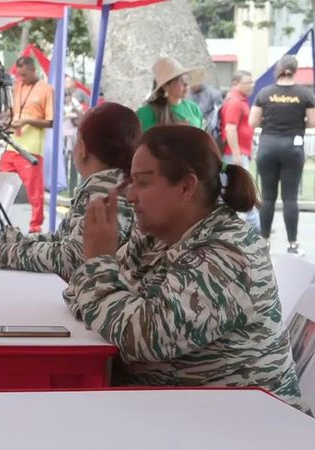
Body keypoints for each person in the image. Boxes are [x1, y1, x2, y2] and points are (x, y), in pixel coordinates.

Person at [63, 125, 307, 412]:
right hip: (178, 409)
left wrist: (98, 265)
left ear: (185, 186)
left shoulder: (228, 253)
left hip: (247, 424)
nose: (130, 196)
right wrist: (104, 291)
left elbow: (144, 336)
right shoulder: (156, 235)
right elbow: (84, 300)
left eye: (142, 182)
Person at [0, 103, 139, 280]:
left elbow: (73, 259)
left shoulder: (106, 195)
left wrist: (0, 254)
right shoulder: (110, 186)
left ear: (83, 148)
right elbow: (59, 241)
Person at [250, 55, 315, 256]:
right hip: (292, 147)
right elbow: (313, 122)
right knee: (289, 198)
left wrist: (270, 123)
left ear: (278, 69)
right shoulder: (304, 94)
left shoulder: (265, 92)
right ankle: (292, 244)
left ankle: (264, 242)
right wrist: (296, 123)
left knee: (268, 197)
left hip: (268, 146)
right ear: (295, 70)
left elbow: (253, 121)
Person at [0, 56, 54, 233]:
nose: (21, 78)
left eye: (24, 74)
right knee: (1, 184)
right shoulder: (16, 87)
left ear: (33, 70)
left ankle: (35, 228)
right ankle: (0, 224)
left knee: (34, 191)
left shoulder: (46, 89)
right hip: (11, 144)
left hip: (31, 148)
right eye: (19, 75)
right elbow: (12, 112)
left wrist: (27, 121)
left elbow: (51, 122)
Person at [220, 70, 260, 231]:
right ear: (236, 83)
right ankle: (255, 229)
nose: (251, 86)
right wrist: (236, 153)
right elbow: (230, 128)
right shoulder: (235, 102)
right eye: (247, 82)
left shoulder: (240, 100)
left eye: (252, 82)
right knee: (244, 191)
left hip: (238, 154)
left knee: (235, 190)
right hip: (234, 155)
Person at [137, 57, 204, 131]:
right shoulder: (145, 113)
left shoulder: (193, 108)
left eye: (187, 79)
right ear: (165, 86)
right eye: (180, 80)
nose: (186, 84)